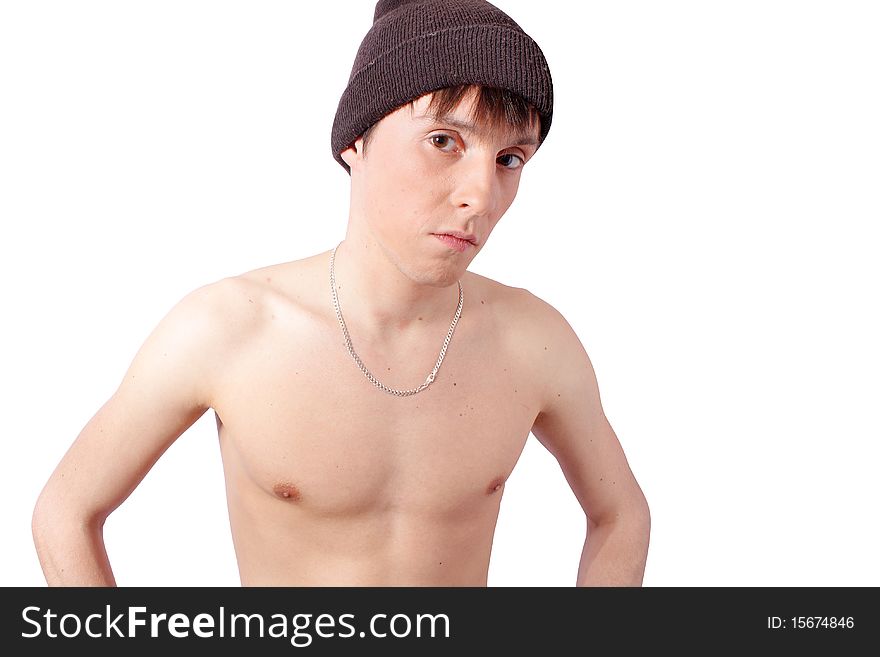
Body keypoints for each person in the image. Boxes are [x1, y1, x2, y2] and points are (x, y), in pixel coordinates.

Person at [32, 0, 650, 587]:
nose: (480, 196)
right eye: (443, 141)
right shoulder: (229, 327)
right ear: (355, 141)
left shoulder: (533, 339)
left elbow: (621, 515)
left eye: (510, 159)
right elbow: (67, 511)